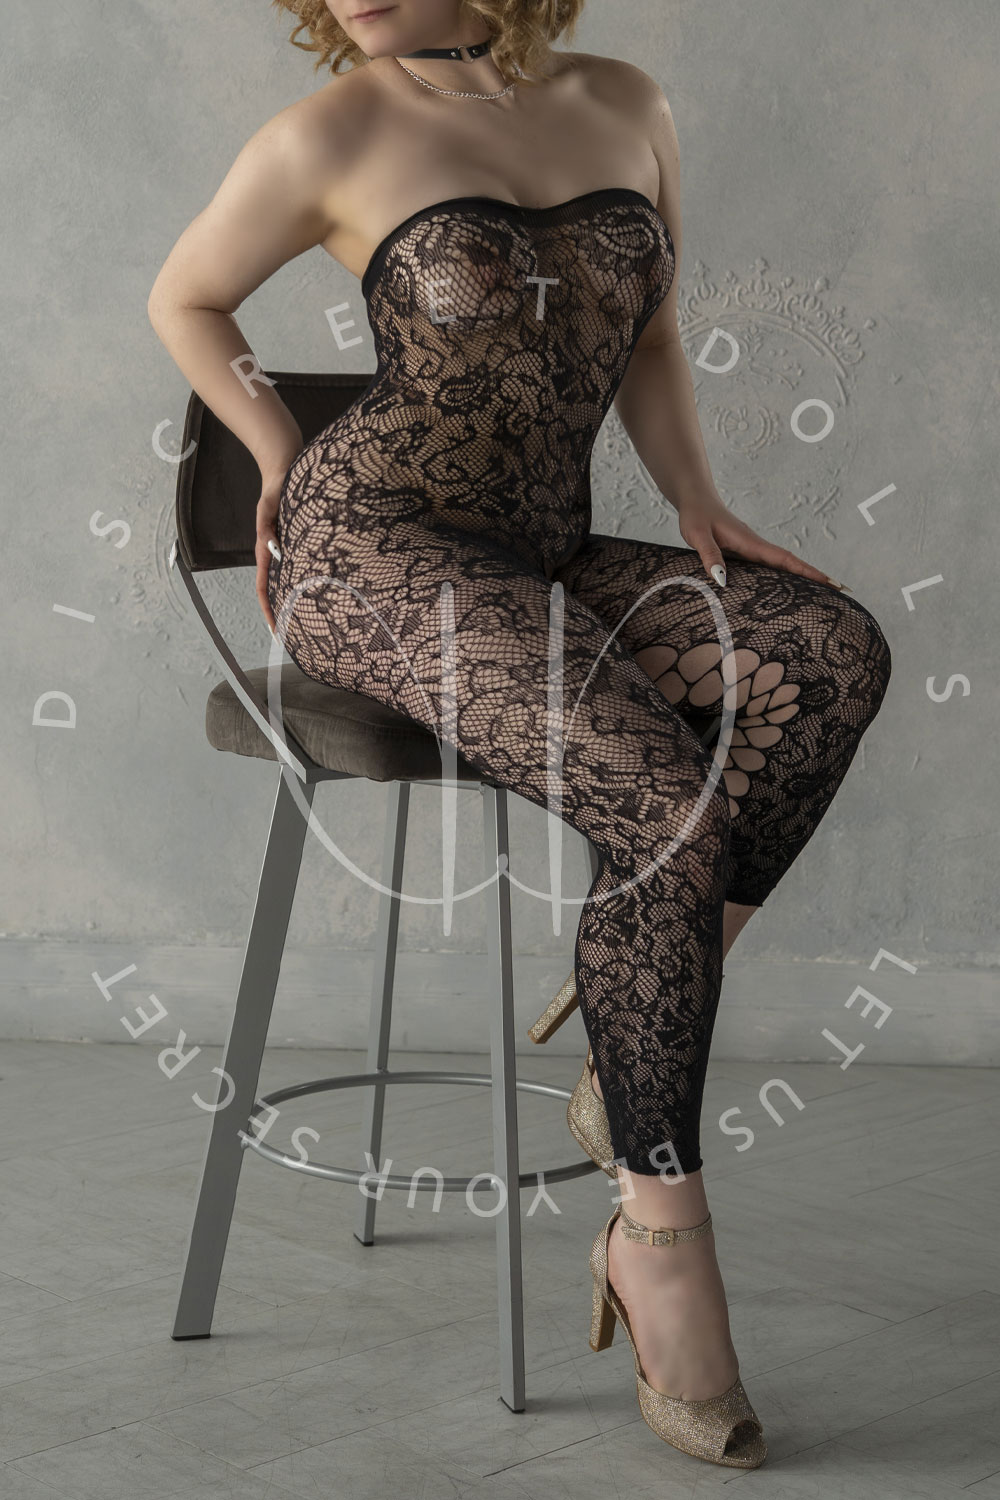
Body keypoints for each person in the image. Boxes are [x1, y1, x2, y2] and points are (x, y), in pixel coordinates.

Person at [147, 0, 892, 1469]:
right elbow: (187, 298)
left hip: (537, 549)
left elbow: (652, 336)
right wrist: (282, 457)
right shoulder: (332, 131)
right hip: (373, 555)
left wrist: (697, 502)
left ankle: (642, 1003)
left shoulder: (626, 102)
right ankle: (659, 1242)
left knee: (829, 655)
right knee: (664, 803)